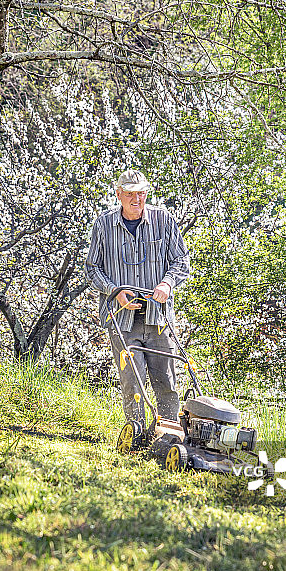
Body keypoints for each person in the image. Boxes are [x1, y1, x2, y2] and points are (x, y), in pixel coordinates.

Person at [86, 170, 190, 424]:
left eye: (141, 193)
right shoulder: (103, 224)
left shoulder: (163, 220)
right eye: (130, 194)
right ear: (118, 194)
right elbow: (92, 268)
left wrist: (167, 284)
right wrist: (115, 291)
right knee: (132, 384)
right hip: (123, 319)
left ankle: (168, 434)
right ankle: (136, 435)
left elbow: (181, 260)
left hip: (159, 317)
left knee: (166, 382)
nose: (136, 199)